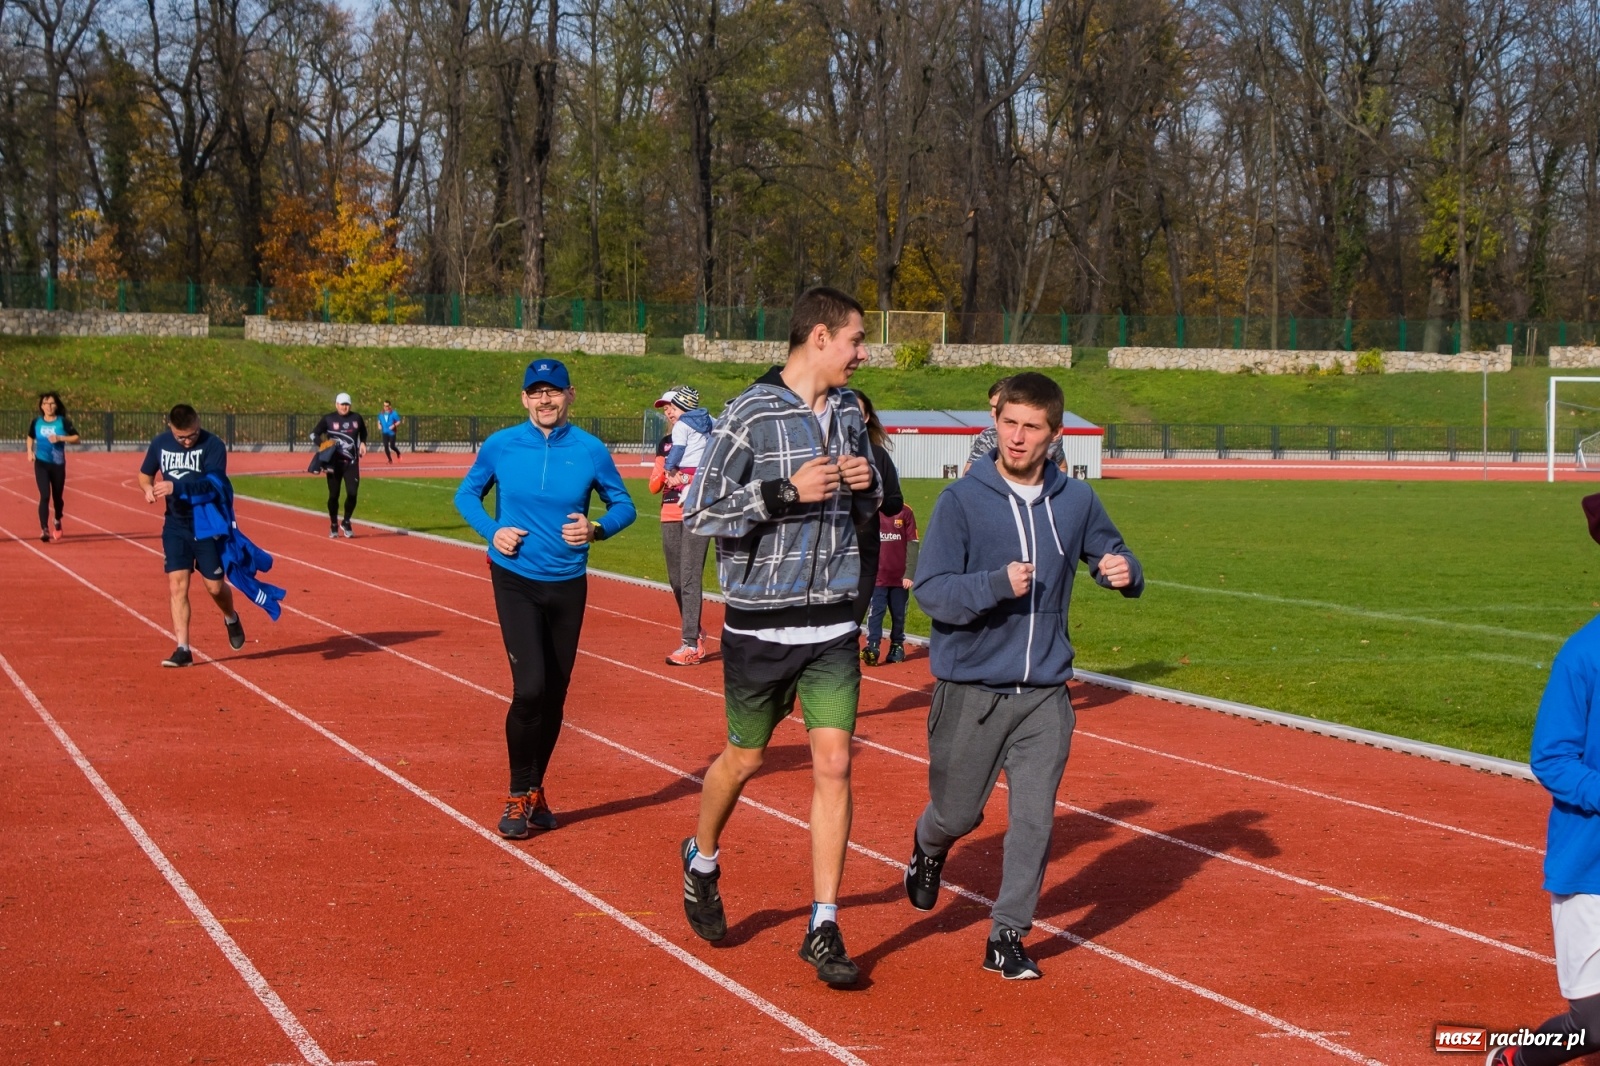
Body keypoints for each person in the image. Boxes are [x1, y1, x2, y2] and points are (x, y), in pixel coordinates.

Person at [907, 371, 1143, 980]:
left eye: (1030, 427)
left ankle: (1007, 934)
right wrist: (993, 584)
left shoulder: (1077, 500)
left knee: (1035, 820)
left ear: (1054, 434)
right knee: (957, 815)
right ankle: (930, 846)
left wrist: (1122, 570)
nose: (1015, 437)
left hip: (1045, 697)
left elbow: (1111, 552)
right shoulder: (961, 500)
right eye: (1008, 423)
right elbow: (929, 592)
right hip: (971, 691)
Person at [677, 286, 881, 986]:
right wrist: (784, 492)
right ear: (819, 337)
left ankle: (823, 923)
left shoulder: (852, 412)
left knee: (834, 765)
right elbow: (697, 511)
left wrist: (865, 480)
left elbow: (864, 498)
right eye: (856, 339)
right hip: (761, 624)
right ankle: (701, 857)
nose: (864, 353)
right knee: (745, 759)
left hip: (832, 621)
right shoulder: (747, 414)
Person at [454, 358, 637, 840]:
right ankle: (518, 792)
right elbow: (466, 496)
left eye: (553, 391)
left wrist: (596, 528)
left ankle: (535, 789)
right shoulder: (501, 445)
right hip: (515, 578)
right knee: (530, 688)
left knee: (555, 694)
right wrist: (493, 533)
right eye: (535, 392)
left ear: (569, 395)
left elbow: (625, 505)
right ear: (523, 399)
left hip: (568, 582)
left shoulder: (591, 450)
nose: (545, 400)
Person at [1489, 494, 1600, 1066]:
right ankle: (1516, 1059)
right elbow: (1551, 757)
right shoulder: (1584, 655)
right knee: (1594, 1027)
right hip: (1591, 866)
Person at [138, 404, 248, 668]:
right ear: (170, 429)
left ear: (199, 423)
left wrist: (177, 487)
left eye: (192, 435)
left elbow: (212, 486)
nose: (187, 441)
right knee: (177, 585)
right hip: (175, 525)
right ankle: (183, 648)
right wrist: (148, 489)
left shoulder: (213, 445)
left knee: (214, 586)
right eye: (181, 437)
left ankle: (230, 616)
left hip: (206, 523)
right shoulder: (160, 443)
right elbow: (144, 475)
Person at [653, 385, 714, 666]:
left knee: (690, 575)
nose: (667, 411)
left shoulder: (706, 431)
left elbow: (717, 466)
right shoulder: (666, 441)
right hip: (669, 510)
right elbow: (656, 480)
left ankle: (690, 643)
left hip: (697, 510)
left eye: (670, 405)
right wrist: (667, 477)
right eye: (664, 407)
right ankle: (695, 627)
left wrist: (689, 480)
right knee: (676, 579)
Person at [850, 389, 903, 629]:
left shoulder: (879, 456)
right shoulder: (819, 453)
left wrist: (873, 494)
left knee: (849, 630)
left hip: (864, 555)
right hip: (824, 557)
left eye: (856, 413)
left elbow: (895, 503)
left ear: (867, 418)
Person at [963, 377, 1069, 476]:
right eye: (992, 407)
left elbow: (1062, 465)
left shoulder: (1052, 438)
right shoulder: (989, 437)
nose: (1017, 439)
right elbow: (968, 476)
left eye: (997, 407)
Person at [863, 501, 917, 667]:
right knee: (876, 611)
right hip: (877, 576)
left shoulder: (906, 511)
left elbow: (913, 543)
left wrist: (909, 573)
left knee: (899, 614)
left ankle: (897, 645)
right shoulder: (871, 511)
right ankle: (872, 646)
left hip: (900, 578)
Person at [311, 392, 367, 537]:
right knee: (333, 495)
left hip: (352, 463)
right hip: (333, 465)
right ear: (336, 404)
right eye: (342, 404)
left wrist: (363, 443)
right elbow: (313, 434)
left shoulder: (356, 418)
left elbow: (363, 432)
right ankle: (334, 524)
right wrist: (323, 445)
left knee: (353, 493)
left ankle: (346, 521)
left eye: (347, 404)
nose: (344, 407)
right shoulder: (329, 419)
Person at [26, 391, 79, 543]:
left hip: (58, 464)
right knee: (44, 496)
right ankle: (44, 529)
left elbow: (77, 438)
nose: (48, 406)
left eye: (52, 403)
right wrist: (29, 451)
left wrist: (61, 438)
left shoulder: (63, 422)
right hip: (41, 463)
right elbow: (30, 437)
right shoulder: (36, 422)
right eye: (45, 403)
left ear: (56, 405)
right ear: (41, 406)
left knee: (57, 498)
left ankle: (57, 519)